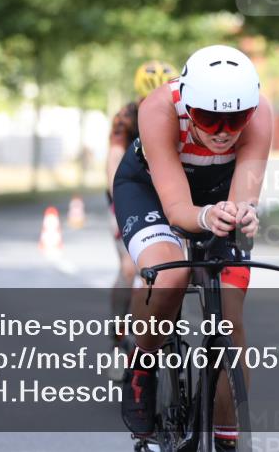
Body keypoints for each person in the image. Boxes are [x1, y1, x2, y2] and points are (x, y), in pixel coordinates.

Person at [114, 45, 271, 447]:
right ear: (186, 102)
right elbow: (178, 209)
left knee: (230, 318)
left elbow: (244, 197)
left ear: (251, 108)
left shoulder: (261, 114)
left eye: (235, 119)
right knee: (171, 276)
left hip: (217, 190)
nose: (222, 131)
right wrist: (204, 218)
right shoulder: (158, 109)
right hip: (152, 191)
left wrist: (244, 215)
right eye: (208, 116)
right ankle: (142, 364)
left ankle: (226, 436)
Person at [105, 60, 176, 378]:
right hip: (130, 193)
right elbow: (113, 161)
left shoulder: (179, 113)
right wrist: (118, 204)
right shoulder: (126, 117)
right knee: (129, 267)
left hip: (167, 195)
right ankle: (118, 339)